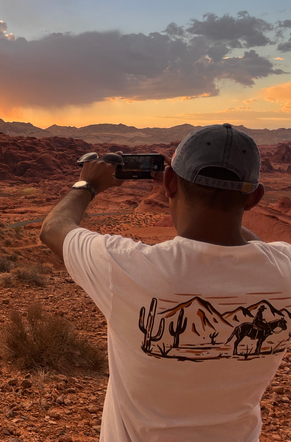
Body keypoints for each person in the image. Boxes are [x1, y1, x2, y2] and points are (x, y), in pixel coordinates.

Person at [40, 123, 291, 441]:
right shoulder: (284, 271)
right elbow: (255, 248)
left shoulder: (130, 267)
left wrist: (87, 184)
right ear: (254, 197)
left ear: (170, 183)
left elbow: (53, 229)